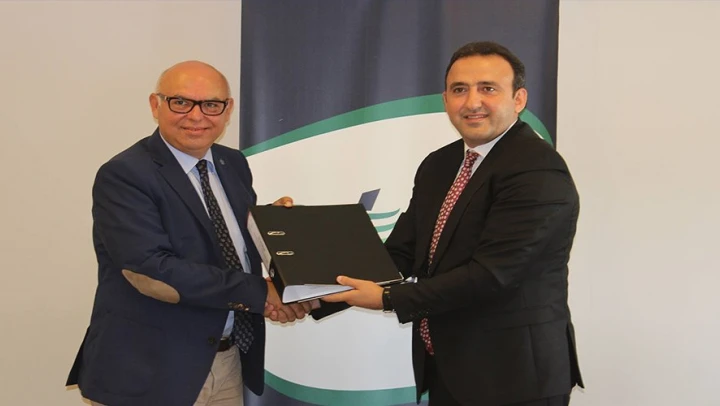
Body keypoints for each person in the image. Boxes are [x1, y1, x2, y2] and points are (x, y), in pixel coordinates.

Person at [323, 41, 584, 405]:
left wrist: (386, 298)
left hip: (514, 377)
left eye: (488, 88)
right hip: (449, 368)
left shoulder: (536, 167)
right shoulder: (439, 164)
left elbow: (493, 274)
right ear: (445, 99)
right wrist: (310, 292)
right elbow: (401, 252)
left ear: (519, 99)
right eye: (459, 90)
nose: (472, 102)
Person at [66, 60, 312, 406]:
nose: (196, 116)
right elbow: (151, 269)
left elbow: (221, 239)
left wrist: (273, 228)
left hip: (226, 360)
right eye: (181, 102)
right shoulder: (125, 174)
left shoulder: (232, 163)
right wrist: (263, 293)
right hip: (150, 371)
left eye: (211, 104)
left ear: (228, 110)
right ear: (156, 105)